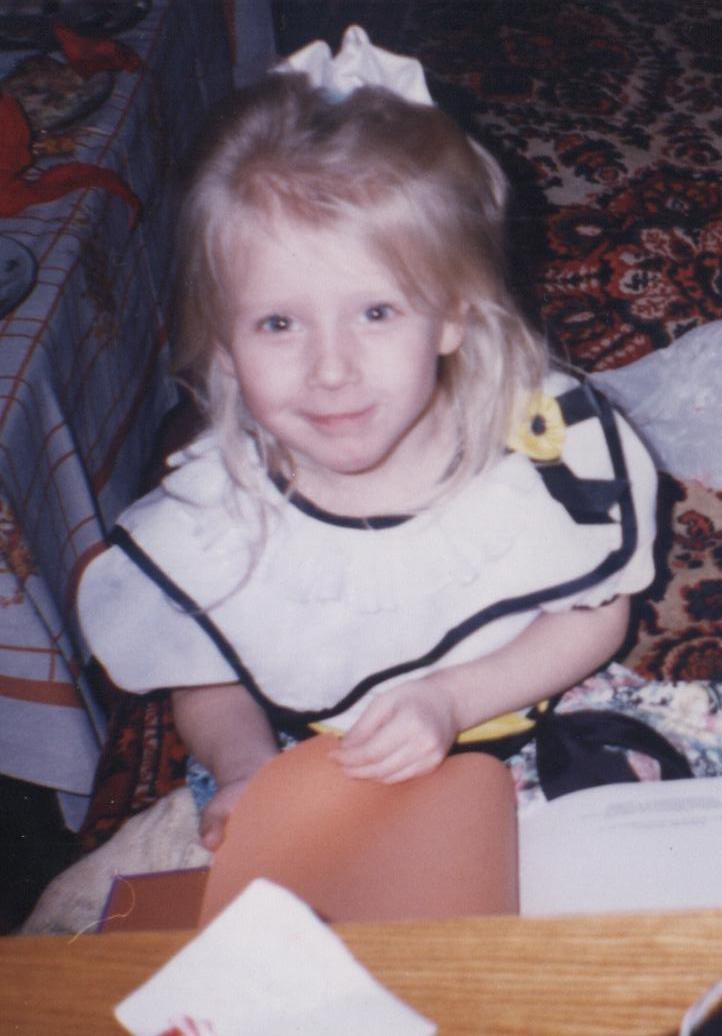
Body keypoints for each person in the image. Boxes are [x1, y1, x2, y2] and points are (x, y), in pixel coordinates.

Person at [76, 27, 660, 855]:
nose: (330, 370)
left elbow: (594, 616)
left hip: (520, 727)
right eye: (278, 324)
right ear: (224, 345)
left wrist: (451, 700)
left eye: (376, 312)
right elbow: (205, 677)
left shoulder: (536, 455)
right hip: (319, 771)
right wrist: (247, 769)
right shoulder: (215, 516)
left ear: (452, 316)